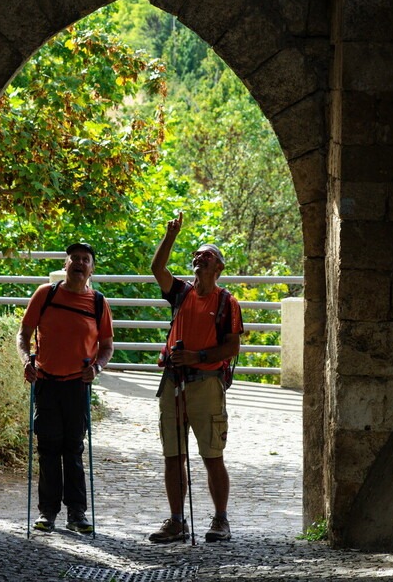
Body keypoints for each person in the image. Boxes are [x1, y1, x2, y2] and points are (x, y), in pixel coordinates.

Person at [148, 211, 243, 544]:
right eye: (197, 256)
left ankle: (221, 520)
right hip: (174, 381)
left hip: (206, 383)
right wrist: (171, 234)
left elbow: (231, 346)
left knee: (211, 454)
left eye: (208, 256)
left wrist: (197, 357)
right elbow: (157, 270)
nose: (200, 260)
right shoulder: (181, 293)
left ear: (219, 267)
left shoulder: (226, 303)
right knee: (173, 454)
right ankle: (176, 521)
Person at [16, 241, 114, 535]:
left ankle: (77, 514)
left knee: (72, 450)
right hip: (46, 382)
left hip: (76, 386)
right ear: (66, 264)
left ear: (91, 268)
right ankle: (48, 513)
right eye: (75, 259)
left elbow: (107, 345)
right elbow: (24, 333)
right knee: (48, 449)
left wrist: (96, 368)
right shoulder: (46, 295)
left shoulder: (98, 303)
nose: (80, 263)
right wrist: (26, 361)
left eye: (85, 259)